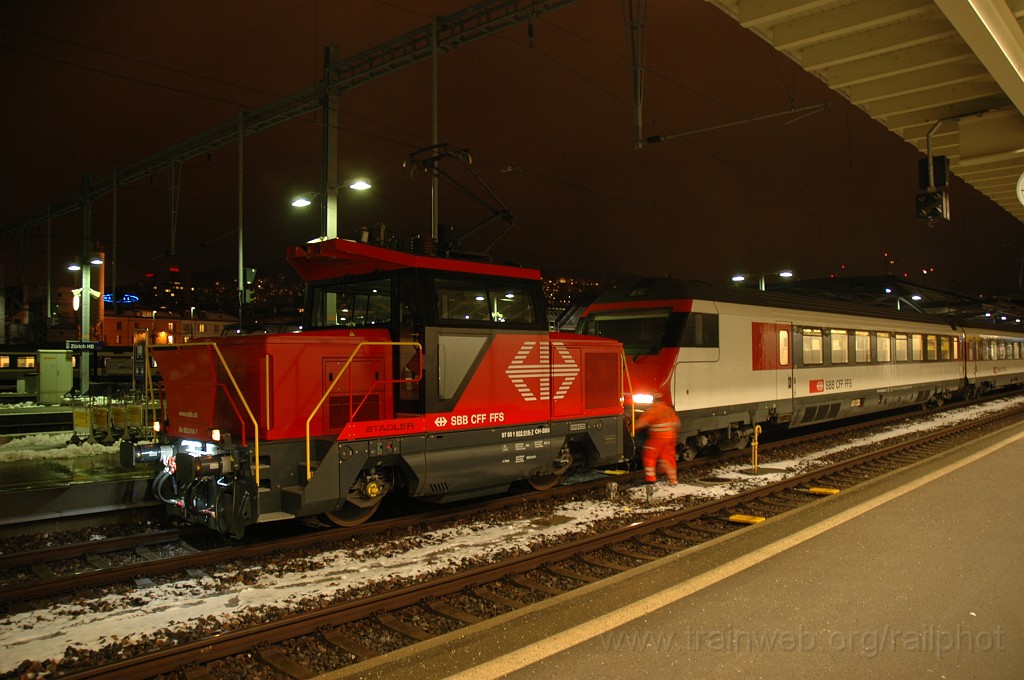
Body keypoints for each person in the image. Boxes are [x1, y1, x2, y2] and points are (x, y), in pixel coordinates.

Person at [634, 392, 681, 485]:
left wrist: (632, 428)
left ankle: (650, 479)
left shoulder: (653, 410)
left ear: (653, 401)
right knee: (668, 458)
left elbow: (641, 423)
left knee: (649, 455)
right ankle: (673, 480)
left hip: (657, 438)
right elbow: (677, 424)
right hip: (670, 437)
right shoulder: (669, 410)